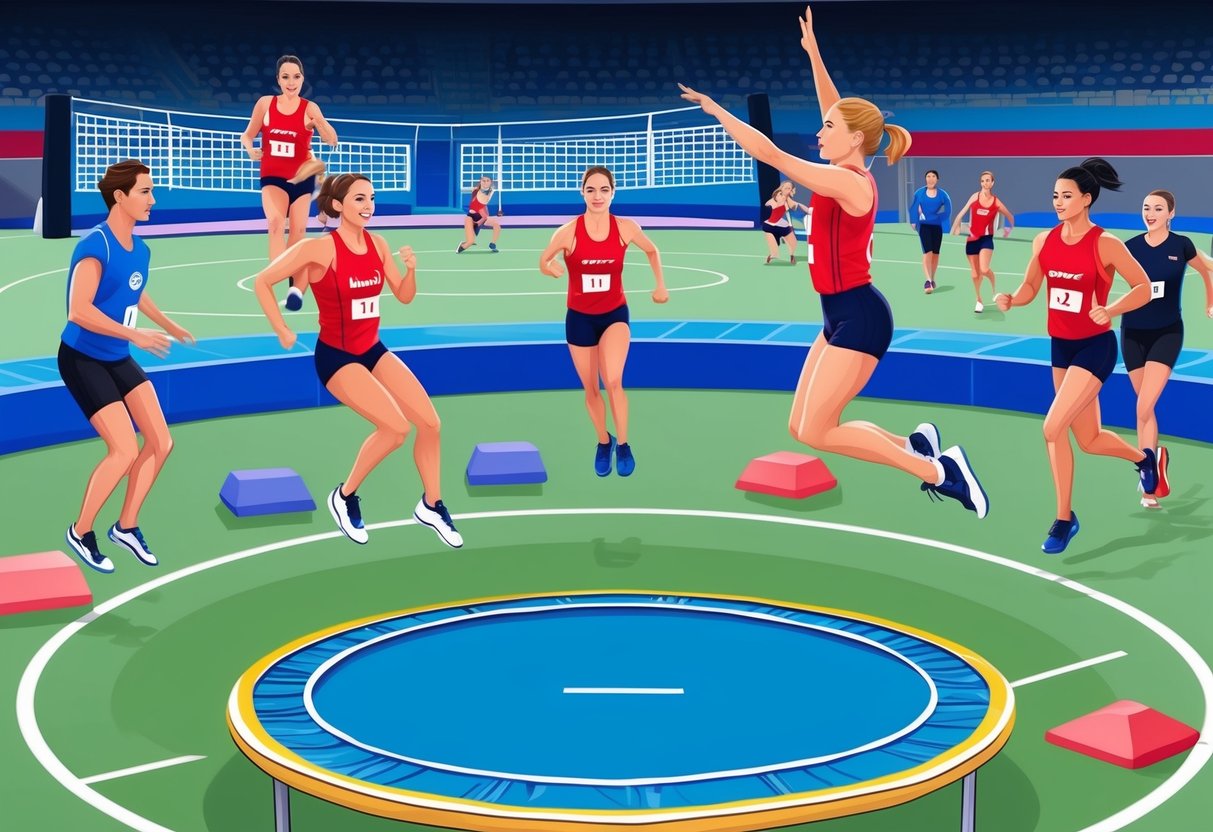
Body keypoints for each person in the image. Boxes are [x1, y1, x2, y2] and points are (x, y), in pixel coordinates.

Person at [679, 4, 988, 518]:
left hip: (861, 317)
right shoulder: (846, 162)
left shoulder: (847, 181)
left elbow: (774, 156)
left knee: (821, 429)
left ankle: (942, 472)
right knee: (803, 428)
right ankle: (917, 445)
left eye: (827, 128)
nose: (818, 132)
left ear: (854, 139)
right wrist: (814, 53)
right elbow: (836, 107)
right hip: (838, 314)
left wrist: (718, 111)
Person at [253, 173, 462, 549]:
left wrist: (412, 269)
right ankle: (345, 496)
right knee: (396, 430)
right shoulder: (320, 250)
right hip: (337, 356)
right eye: (360, 199)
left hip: (373, 350)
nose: (369, 206)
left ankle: (431, 505)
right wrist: (282, 329)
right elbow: (262, 282)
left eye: (371, 198)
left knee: (430, 423)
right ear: (337, 206)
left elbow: (403, 295)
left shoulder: (379, 245)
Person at [994, 158, 1155, 553]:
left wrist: (1111, 309)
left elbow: (1144, 288)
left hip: (1094, 347)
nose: (1058, 202)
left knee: (1052, 427)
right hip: (1060, 348)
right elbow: (1033, 286)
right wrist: (1013, 299)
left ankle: (1065, 518)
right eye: (1055, 196)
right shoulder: (1043, 241)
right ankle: (1145, 459)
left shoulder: (1105, 243)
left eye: (1066, 196)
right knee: (1089, 439)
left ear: (1086, 199)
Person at [60, 160, 195, 573]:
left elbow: (135, 288)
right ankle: (82, 531)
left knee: (161, 442)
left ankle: (126, 526)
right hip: (83, 358)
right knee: (123, 450)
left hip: (117, 356)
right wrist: (136, 335)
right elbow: (78, 310)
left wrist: (168, 324)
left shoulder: (140, 247)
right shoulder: (95, 245)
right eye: (145, 192)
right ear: (120, 197)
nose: (153, 200)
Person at [538, 166, 669, 477]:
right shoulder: (568, 231)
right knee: (591, 389)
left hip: (614, 315)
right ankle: (603, 441)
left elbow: (652, 250)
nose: (598, 196)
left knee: (612, 381)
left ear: (613, 193)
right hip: (579, 318)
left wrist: (660, 285)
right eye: (591, 190)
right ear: (582, 193)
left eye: (604, 190)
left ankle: (623, 444)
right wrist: (551, 268)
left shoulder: (625, 227)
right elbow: (544, 259)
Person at [1120, 190, 1213, 507]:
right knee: (1144, 411)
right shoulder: (1129, 248)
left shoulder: (1181, 245)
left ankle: (1148, 463)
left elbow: (1205, 269)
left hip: (1166, 333)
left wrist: (1209, 302)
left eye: (1158, 208)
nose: (1150, 213)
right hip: (1132, 333)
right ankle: (1150, 485)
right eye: (1146, 207)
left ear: (1171, 213)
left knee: (1144, 407)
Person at [241, 55, 338, 312]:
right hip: (273, 177)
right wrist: (251, 150)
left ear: (302, 79)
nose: (291, 82)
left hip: (302, 180)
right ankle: (272, 281)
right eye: (285, 77)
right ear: (278, 80)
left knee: (297, 234)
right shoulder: (265, 104)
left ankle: (295, 290)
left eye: (296, 77)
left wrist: (319, 122)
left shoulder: (310, 108)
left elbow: (332, 140)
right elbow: (247, 135)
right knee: (275, 223)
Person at [951, 170, 1014, 312]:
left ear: (992, 183)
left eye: (988, 180)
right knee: (975, 274)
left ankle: (993, 291)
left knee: (984, 269)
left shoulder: (996, 202)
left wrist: (1008, 230)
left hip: (986, 240)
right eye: (983, 181)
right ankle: (979, 300)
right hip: (972, 240)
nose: (985, 183)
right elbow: (962, 212)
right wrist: (954, 229)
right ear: (981, 183)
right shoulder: (975, 197)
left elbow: (1010, 216)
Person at [909, 169, 951, 293]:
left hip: (936, 226)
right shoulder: (919, 193)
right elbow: (913, 208)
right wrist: (913, 221)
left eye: (933, 176)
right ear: (925, 178)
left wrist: (939, 218)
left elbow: (948, 211)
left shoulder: (943, 194)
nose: (930, 178)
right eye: (928, 176)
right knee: (928, 252)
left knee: (936, 254)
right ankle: (927, 281)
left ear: (937, 179)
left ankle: (932, 278)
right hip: (923, 226)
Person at [456, 175, 503, 253]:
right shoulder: (475, 191)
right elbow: (480, 209)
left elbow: (484, 209)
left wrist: (483, 219)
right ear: (480, 182)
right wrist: (480, 222)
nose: (485, 182)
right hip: (471, 217)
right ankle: (463, 244)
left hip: (482, 217)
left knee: (497, 225)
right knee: (470, 242)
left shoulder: (490, 191)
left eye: (487, 181)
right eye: (483, 180)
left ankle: (492, 244)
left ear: (491, 182)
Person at [761, 181, 805, 265]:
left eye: (790, 188)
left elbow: (790, 210)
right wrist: (778, 201)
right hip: (770, 225)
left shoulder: (787, 201)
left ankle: (791, 255)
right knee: (775, 252)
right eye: (786, 188)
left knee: (794, 243)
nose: (788, 190)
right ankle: (772, 255)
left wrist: (790, 224)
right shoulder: (777, 197)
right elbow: (770, 203)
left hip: (782, 225)